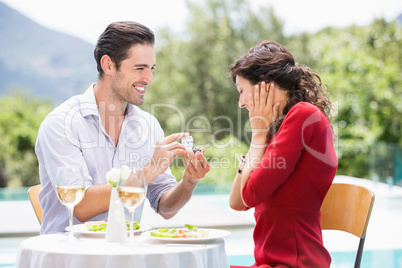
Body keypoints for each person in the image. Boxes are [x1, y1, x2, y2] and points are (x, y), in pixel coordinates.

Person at [35, 21, 210, 234]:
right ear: (108, 65)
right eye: (139, 68)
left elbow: (165, 207)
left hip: (127, 254)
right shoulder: (61, 124)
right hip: (70, 256)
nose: (149, 79)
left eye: (151, 69)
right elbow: (80, 205)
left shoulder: (148, 126)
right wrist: (148, 171)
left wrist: (189, 181)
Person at [228, 41, 338, 268]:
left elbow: (249, 194)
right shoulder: (279, 128)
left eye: (241, 91)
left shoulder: (304, 115)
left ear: (263, 84)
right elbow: (236, 202)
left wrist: (258, 136)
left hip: (295, 263)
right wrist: (260, 137)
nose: (241, 103)